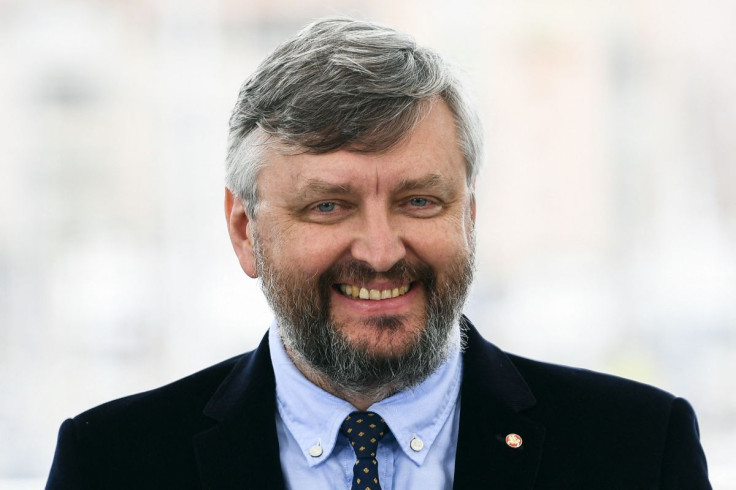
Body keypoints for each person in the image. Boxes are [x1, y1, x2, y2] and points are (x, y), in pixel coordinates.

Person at [46, 18, 711, 490]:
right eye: (328, 205)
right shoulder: (112, 463)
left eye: (419, 201)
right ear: (245, 231)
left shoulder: (638, 449)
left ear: (469, 217)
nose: (381, 250)